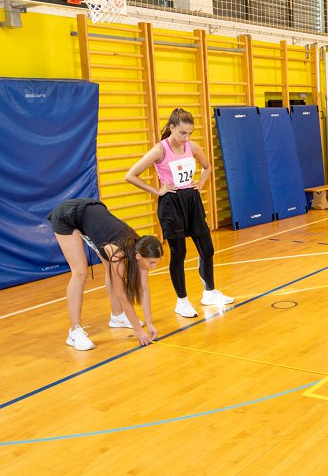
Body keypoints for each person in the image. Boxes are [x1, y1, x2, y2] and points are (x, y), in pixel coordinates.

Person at [126, 108, 233, 319]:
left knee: (207, 249)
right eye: (183, 133)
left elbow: (207, 167)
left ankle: (210, 292)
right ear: (172, 127)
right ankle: (182, 301)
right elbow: (131, 175)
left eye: (190, 133)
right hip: (171, 203)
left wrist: (199, 185)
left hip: (192, 200)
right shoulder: (160, 150)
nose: (186, 137)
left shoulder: (191, 146)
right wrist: (157, 191)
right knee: (179, 253)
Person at [47, 198, 163, 351]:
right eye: (152, 263)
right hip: (67, 216)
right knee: (80, 272)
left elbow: (144, 288)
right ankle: (74, 332)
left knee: (110, 268)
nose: (153, 267)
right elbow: (122, 295)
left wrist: (150, 324)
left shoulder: (141, 248)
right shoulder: (118, 254)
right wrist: (138, 330)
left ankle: (117, 316)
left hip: (93, 212)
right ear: (139, 256)